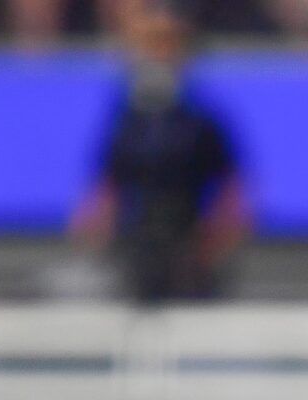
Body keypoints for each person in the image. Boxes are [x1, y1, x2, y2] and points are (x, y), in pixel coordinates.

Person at [68, 4, 249, 303]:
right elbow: (105, 185)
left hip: (189, 247)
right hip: (135, 246)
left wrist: (213, 245)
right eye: (150, 44)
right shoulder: (125, 120)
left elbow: (233, 189)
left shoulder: (200, 121)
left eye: (167, 44)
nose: (157, 54)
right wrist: (95, 237)